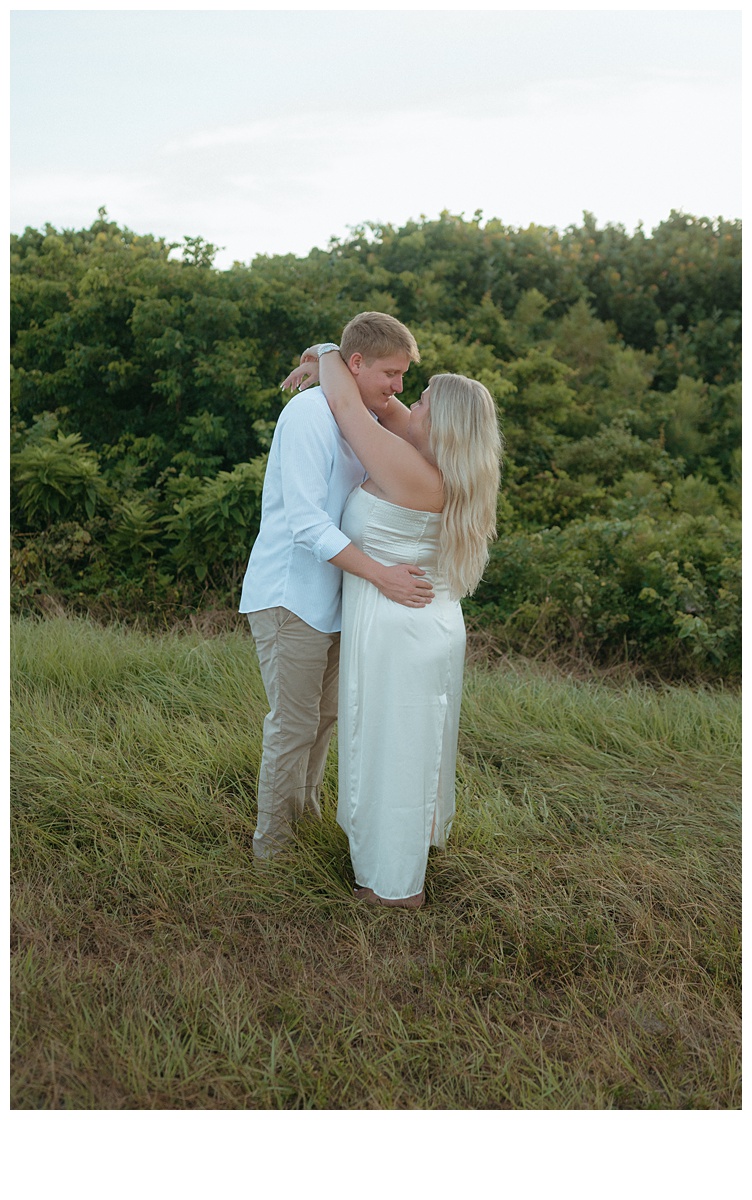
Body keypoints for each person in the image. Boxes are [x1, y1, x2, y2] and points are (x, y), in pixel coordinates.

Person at [282, 342, 502, 908]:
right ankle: (389, 866)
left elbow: (353, 410)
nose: (409, 400)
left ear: (444, 423)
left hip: (401, 630)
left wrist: (330, 351)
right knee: (398, 749)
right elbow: (379, 408)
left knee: (394, 756)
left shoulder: (410, 469)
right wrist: (332, 369)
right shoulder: (436, 461)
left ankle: (396, 891)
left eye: (423, 398)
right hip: (416, 623)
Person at [240, 312, 434, 860]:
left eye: (403, 377)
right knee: (293, 725)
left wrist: (320, 352)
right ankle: (272, 850)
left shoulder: (358, 416)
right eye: (391, 374)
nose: (399, 387)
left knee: (323, 722)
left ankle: (307, 822)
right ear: (356, 365)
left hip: (336, 597)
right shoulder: (307, 416)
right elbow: (306, 523)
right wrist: (382, 576)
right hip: (290, 596)